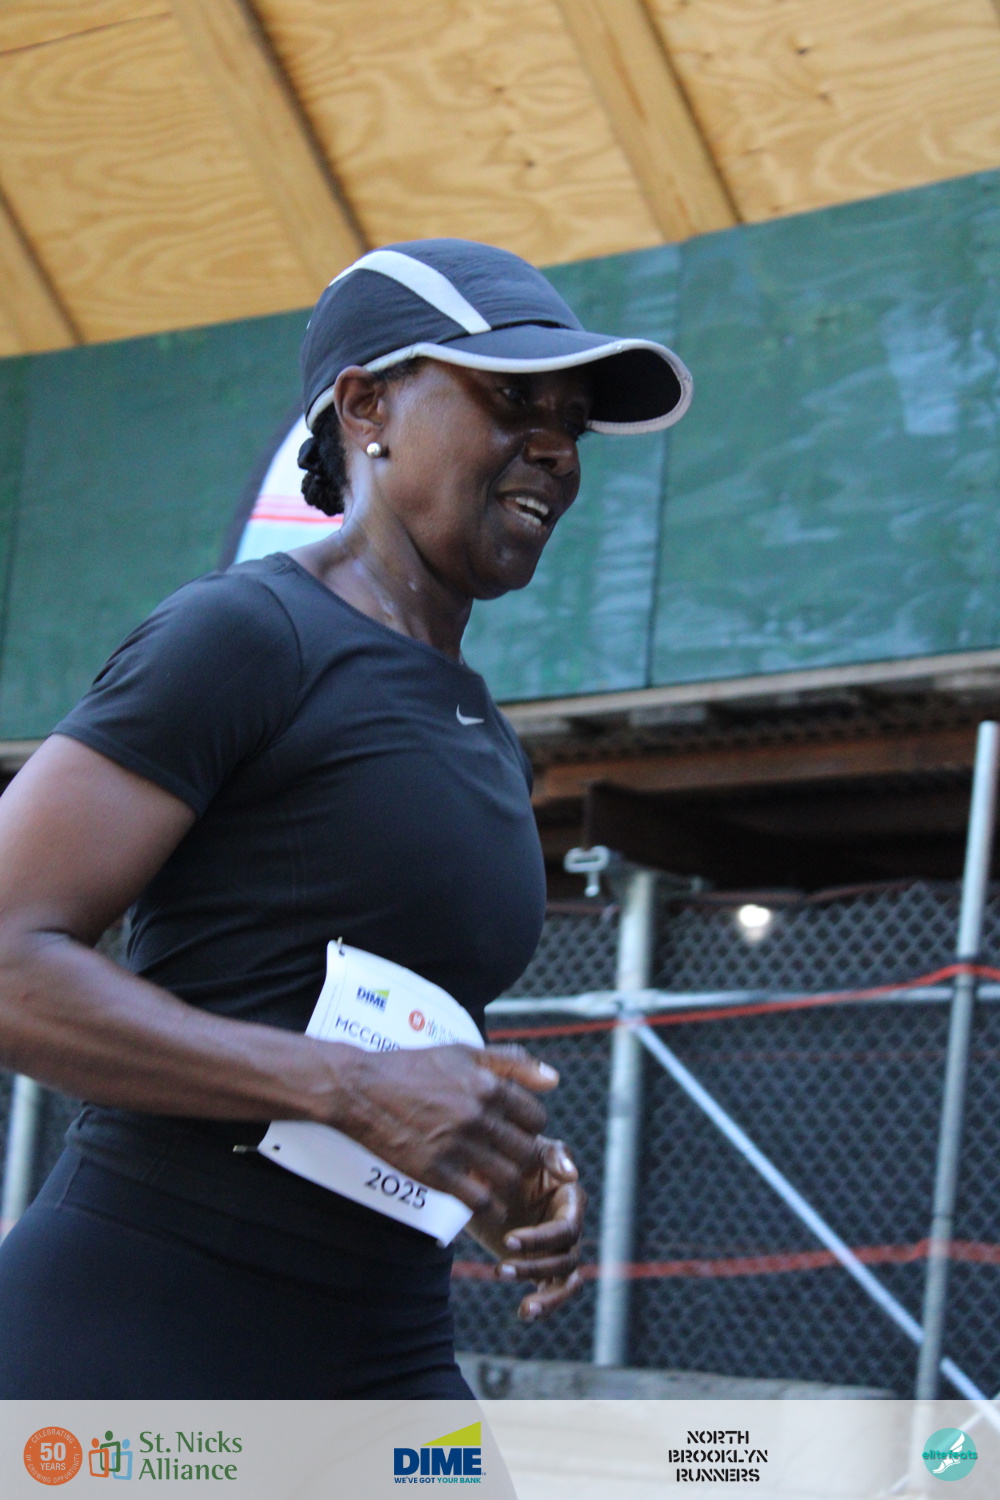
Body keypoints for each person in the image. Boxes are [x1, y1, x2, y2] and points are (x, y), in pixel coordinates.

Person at [0, 239, 691, 1398]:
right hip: (143, 1330)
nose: (557, 449)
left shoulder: (479, 727)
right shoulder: (244, 637)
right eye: (512, 402)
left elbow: (373, 1029)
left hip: (382, 1345)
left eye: (571, 421)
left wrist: (482, 1157)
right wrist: (346, 1088)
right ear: (366, 405)